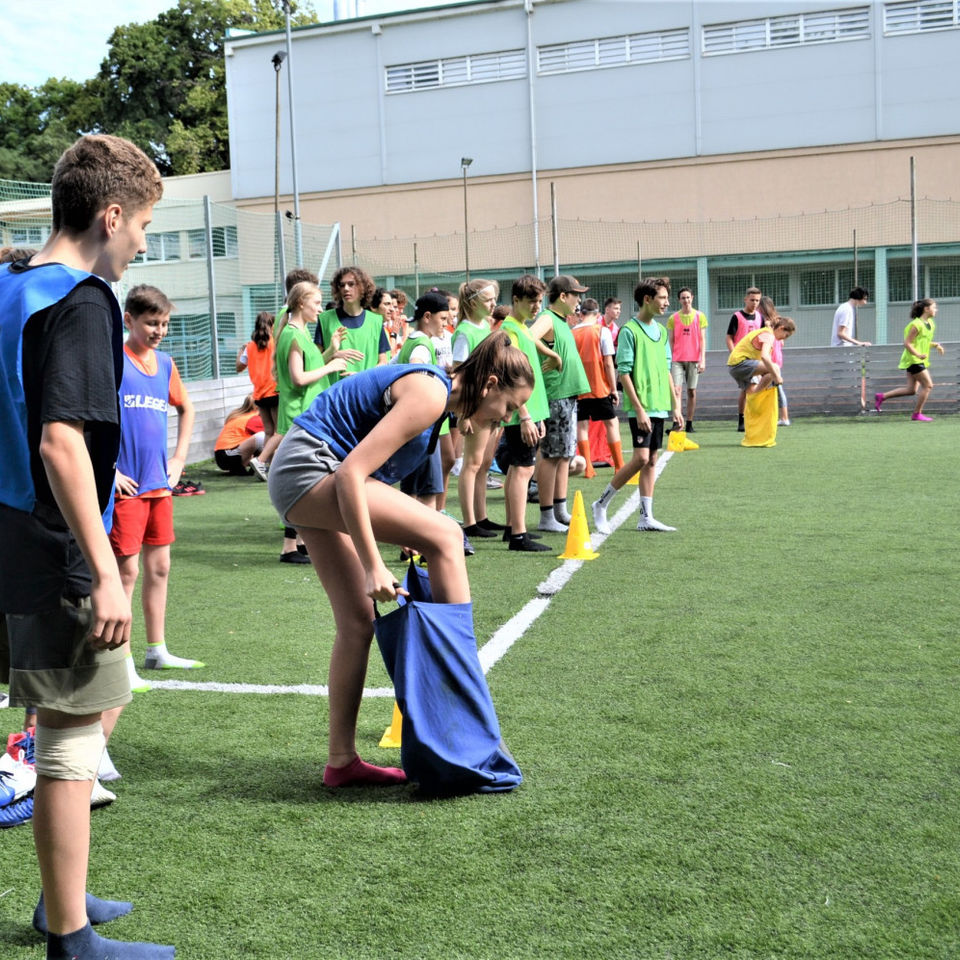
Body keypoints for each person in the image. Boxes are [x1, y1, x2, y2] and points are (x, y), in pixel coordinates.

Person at [0, 134, 174, 958]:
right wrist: (106, 570)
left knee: (69, 715)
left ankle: (61, 900)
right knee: (71, 731)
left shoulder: (12, 289)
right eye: (141, 222)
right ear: (109, 216)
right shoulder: (83, 300)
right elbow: (60, 443)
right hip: (58, 549)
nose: (142, 240)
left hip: (13, 537)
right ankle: (67, 933)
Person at [266, 332, 534, 786]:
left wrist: (407, 528)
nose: (505, 419)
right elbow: (352, 472)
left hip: (302, 472)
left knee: (356, 622)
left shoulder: (438, 405)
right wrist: (374, 563)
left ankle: (341, 762)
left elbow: (369, 473)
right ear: (489, 384)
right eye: (508, 408)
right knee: (449, 536)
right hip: (311, 467)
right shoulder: (430, 391)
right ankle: (465, 697)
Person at [111, 283, 203, 692]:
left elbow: (187, 408)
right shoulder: (114, 360)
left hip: (158, 485)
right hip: (125, 487)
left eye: (164, 323)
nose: (159, 330)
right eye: (151, 323)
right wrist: (108, 469)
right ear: (128, 319)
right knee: (125, 571)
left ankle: (156, 649)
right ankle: (121, 660)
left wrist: (179, 457)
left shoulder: (165, 363)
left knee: (160, 567)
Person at [592, 278, 683, 535]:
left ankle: (646, 517)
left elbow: (666, 371)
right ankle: (600, 504)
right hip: (641, 407)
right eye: (663, 298)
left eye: (666, 298)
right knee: (641, 457)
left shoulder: (662, 331)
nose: (667, 303)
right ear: (647, 299)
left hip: (659, 405)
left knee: (652, 460)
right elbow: (623, 373)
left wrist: (676, 405)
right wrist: (639, 408)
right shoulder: (630, 331)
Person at [274, 281, 351, 563]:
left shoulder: (300, 332)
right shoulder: (293, 335)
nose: (320, 309)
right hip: (299, 414)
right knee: (299, 480)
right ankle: (289, 546)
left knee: (310, 478)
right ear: (300, 303)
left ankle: (301, 541)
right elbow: (298, 378)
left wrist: (332, 352)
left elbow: (310, 366)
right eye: (316, 303)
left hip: (308, 412)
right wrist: (330, 366)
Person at [498, 274, 558, 551]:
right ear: (516, 300)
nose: (537, 307)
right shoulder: (510, 331)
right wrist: (524, 415)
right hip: (520, 413)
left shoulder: (521, 328)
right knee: (523, 469)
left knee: (518, 468)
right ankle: (518, 536)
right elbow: (510, 377)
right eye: (531, 301)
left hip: (530, 411)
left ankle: (513, 529)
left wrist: (538, 414)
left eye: (539, 301)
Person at [530, 276, 590, 532]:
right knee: (551, 456)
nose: (579, 300)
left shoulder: (563, 322)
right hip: (555, 396)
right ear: (563, 296)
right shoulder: (548, 318)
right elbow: (528, 336)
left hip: (567, 396)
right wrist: (552, 355)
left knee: (564, 454)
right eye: (576, 294)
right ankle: (546, 516)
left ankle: (559, 510)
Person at [453, 279, 503, 539]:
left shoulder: (484, 326)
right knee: (471, 464)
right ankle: (470, 522)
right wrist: (463, 414)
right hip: (475, 407)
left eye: (494, 299)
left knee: (483, 464)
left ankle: (481, 516)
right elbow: (458, 375)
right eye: (488, 300)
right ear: (473, 303)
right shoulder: (464, 331)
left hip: (490, 405)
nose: (493, 304)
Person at [571, 297, 623, 479]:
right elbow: (608, 363)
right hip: (600, 387)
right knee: (611, 423)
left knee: (582, 425)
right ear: (598, 314)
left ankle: (588, 468)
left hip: (579, 389)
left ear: (581, 314)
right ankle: (619, 466)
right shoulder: (602, 331)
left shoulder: (571, 333)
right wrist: (614, 389)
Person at [313, 266, 389, 383]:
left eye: (351, 284)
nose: (346, 289)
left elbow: (383, 362)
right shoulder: (325, 319)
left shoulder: (376, 321)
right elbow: (314, 363)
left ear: (362, 287)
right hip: (333, 392)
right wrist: (333, 354)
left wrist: (363, 376)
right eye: (342, 285)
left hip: (366, 389)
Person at [874, 299, 944, 421]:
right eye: (934, 307)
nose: (936, 310)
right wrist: (918, 355)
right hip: (913, 360)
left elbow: (923, 342)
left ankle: (881, 396)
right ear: (926, 309)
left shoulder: (931, 324)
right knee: (928, 385)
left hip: (918, 360)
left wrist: (935, 345)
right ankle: (917, 414)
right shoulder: (916, 325)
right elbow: (907, 343)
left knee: (911, 390)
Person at [236, 311, 279, 481]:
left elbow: (239, 367)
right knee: (279, 431)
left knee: (268, 431)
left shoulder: (250, 346)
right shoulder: (276, 343)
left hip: (259, 394)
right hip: (275, 390)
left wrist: (241, 351)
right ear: (272, 325)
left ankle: (266, 466)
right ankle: (267, 463)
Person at [667, 287, 708, 432]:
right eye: (683, 298)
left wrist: (702, 360)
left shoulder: (699, 316)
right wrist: (670, 358)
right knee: (676, 390)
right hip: (677, 359)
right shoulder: (673, 318)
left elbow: (702, 340)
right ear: (679, 300)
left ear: (692, 298)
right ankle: (676, 421)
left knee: (691, 391)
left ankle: (689, 422)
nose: (686, 300)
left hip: (694, 359)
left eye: (688, 297)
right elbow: (671, 340)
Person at [726, 315, 795, 395]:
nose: (784, 339)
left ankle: (755, 398)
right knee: (775, 368)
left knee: (751, 393)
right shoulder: (769, 335)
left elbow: (762, 360)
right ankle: (757, 396)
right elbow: (765, 357)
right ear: (781, 328)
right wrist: (777, 378)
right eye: (786, 335)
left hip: (735, 366)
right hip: (740, 364)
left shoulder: (765, 332)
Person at [726, 287, 763, 431]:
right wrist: (734, 353)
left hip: (754, 359)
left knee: (746, 389)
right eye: (752, 300)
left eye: (757, 300)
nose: (754, 303)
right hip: (742, 360)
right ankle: (751, 419)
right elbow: (729, 337)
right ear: (745, 299)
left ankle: (742, 421)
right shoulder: (737, 316)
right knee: (751, 388)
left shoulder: (760, 317)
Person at [758, 295, 791, 426]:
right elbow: (782, 342)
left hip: (770, 358)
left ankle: (782, 417)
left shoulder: (765, 322)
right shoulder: (779, 321)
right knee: (777, 387)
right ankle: (783, 417)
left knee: (774, 387)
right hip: (777, 357)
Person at [214, 395, 264, 475]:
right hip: (228, 456)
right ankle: (259, 464)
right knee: (263, 436)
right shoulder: (253, 418)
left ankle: (253, 466)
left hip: (222, 457)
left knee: (263, 439)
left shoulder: (240, 416)